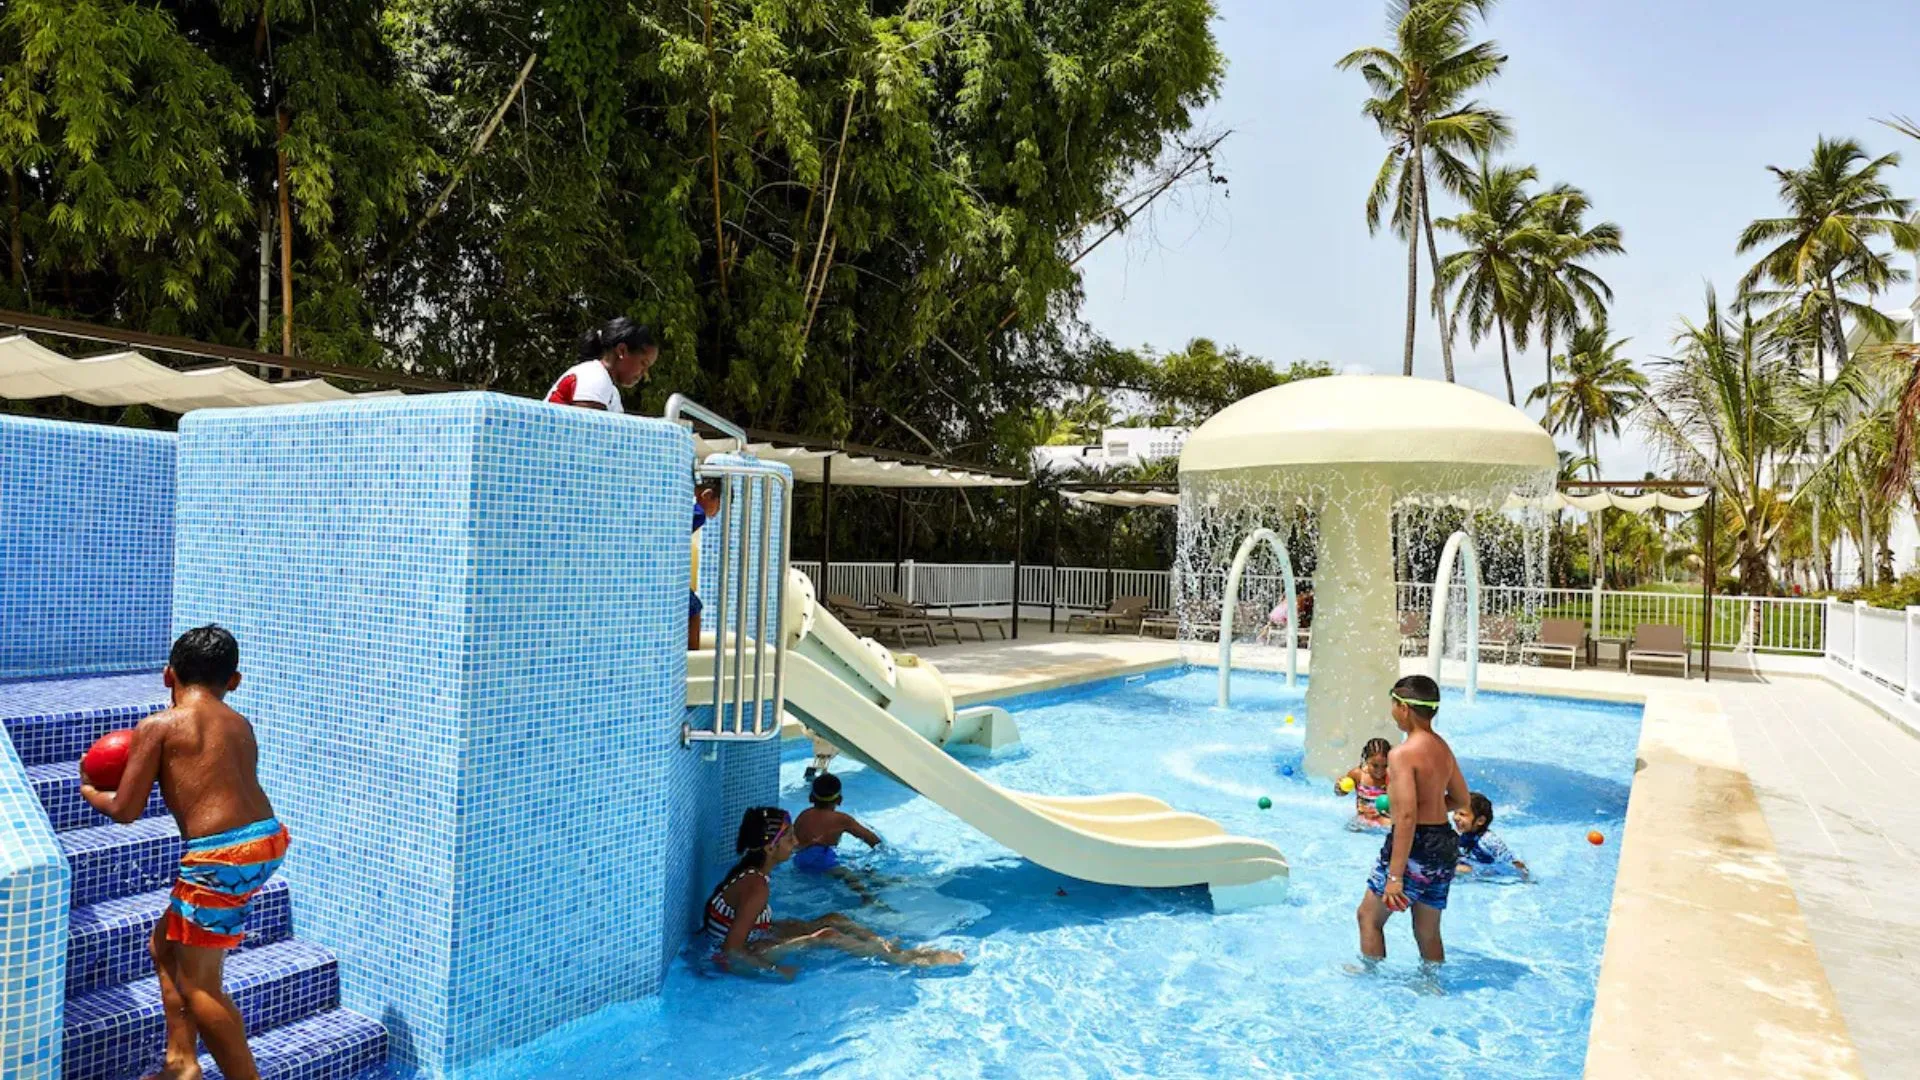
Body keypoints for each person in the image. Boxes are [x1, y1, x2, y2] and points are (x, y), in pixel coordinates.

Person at [80, 626, 288, 1080]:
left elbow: (126, 810)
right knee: (165, 946)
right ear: (234, 681)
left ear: (167, 675)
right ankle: (181, 1063)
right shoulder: (239, 723)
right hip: (267, 840)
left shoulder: (159, 726)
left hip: (220, 857)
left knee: (201, 987)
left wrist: (90, 788)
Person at [703, 807, 962, 977]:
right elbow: (731, 951)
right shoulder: (756, 886)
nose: (796, 842)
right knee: (828, 935)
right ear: (770, 849)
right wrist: (775, 971)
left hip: (757, 935)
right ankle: (903, 959)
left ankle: (883, 947)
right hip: (733, 954)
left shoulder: (752, 874)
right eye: (790, 838)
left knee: (834, 918)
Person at [1355, 674, 1470, 966]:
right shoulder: (1442, 747)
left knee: (1369, 918)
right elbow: (1461, 799)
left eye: (1393, 705)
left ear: (1404, 708)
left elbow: (1406, 817)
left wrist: (1395, 876)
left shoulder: (1402, 754)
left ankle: (1370, 982)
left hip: (1415, 846)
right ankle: (1431, 985)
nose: (1392, 711)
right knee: (1427, 932)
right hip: (1444, 845)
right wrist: (1431, 808)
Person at [792, 773, 884, 901]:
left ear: (811, 798)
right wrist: (882, 851)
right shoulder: (841, 819)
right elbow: (872, 840)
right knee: (851, 876)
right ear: (839, 800)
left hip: (800, 860)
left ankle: (878, 882)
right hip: (823, 860)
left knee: (857, 871)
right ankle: (868, 899)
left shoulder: (803, 815)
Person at [546, 316, 659, 412]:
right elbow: (588, 429)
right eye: (643, 363)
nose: (645, 373)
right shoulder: (593, 376)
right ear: (622, 351)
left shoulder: (611, 391)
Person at [1454, 791, 1529, 882]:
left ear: (1480, 821)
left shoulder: (1489, 840)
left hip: (1489, 873)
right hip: (1474, 866)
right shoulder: (1465, 835)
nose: (1455, 818)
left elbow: (1514, 863)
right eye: (1455, 813)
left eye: (1462, 814)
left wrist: (1527, 881)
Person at [689, 481, 721, 650]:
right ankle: (693, 656)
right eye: (718, 505)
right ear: (707, 495)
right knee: (695, 608)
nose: (716, 513)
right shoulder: (698, 514)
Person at [1337, 737, 1393, 831]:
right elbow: (1341, 793)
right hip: (1363, 818)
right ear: (1366, 760)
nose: (1380, 771)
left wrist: (1384, 812)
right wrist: (1339, 788)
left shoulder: (1390, 778)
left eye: (1385, 766)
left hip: (1383, 818)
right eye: (1375, 765)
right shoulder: (1357, 774)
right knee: (1350, 828)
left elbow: (1398, 803)